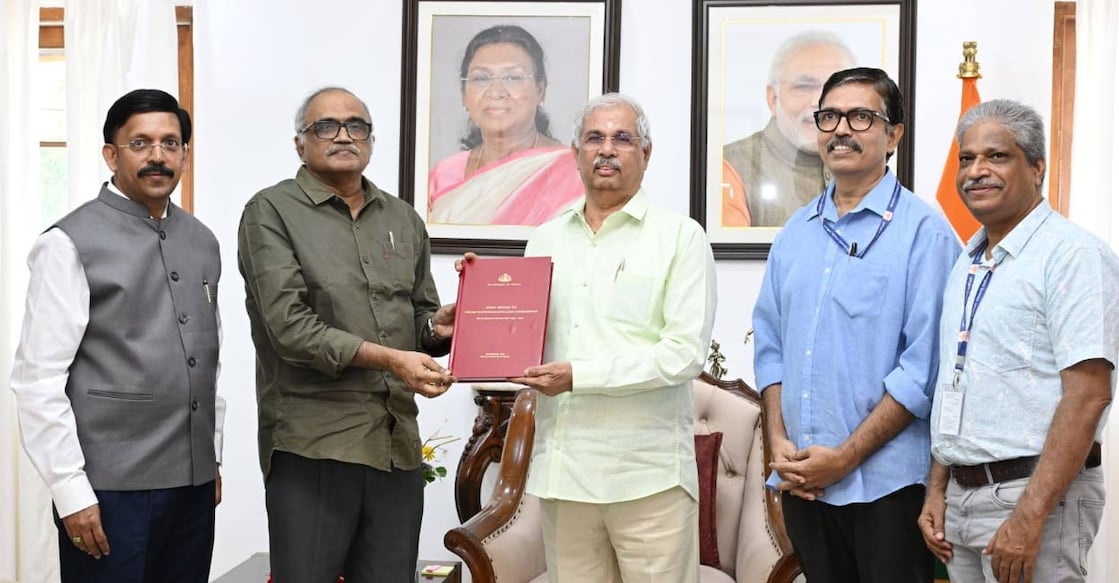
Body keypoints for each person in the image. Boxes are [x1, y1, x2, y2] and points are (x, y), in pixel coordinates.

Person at [237, 86, 457, 583]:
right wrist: (390, 359)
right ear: (300, 143)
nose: (343, 135)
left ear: (371, 141)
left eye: (356, 126)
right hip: (314, 446)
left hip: (395, 445)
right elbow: (289, 329)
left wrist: (436, 327)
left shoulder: (403, 219)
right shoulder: (270, 212)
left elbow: (418, 322)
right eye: (326, 126)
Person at [752, 68, 960, 583]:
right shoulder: (795, 235)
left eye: (861, 116)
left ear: (893, 135)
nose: (841, 129)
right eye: (829, 116)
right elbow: (772, 348)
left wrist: (844, 458)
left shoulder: (925, 235)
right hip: (804, 483)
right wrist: (777, 441)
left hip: (888, 491)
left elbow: (923, 372)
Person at [10, 89, 223, 582]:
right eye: (141, 143)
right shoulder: (67, 243)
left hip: (192, 489)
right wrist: (71, 493)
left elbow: (205, 357)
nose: (157, 156)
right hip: (107, 494)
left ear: (185, 155)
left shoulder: (203, 240)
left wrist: (209, 457)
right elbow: (37, 381)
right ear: (112, 153)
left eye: (171, 143)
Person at [509, 93, 717, 583]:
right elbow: (523, 339)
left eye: (622, 138)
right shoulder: (545, 239)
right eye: (594, 138)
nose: (607, 149)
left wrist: (579, 376)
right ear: (575, 151)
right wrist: (475, 313)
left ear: (646, 154)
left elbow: (683, 354)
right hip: (565, 475)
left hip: (647, 480)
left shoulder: (681, 238)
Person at [919, 99, 1118, 583]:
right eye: (967, 159)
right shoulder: (967, 262)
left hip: (1033, 498)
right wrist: (937, 489)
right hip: (962, 501)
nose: (976, 171)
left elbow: (1089, 394)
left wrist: (1029, 517)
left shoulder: (1072, 256)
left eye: (996, 156)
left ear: (1036, 167)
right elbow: (957, 378)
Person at [428, 24, 584, 226]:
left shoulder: (574, 170)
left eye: (512, 77)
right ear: (464, 95)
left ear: (540, 90)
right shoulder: (444, 174)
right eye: (481, 78)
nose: (496, 91)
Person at [722, 31, 855, 227]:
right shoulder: (729, 166)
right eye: (804, 86)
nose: (820, 102)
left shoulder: (872, 162)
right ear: (773, 99)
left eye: (835, 88)